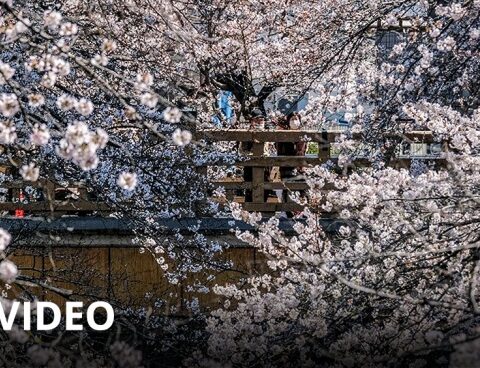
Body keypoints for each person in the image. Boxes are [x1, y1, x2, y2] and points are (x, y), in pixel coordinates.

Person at [275, 112, 307, 215]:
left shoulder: (302, 136)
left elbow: (302, 152)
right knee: (289, 189)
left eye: (296, 119)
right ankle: (289, 211)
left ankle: (300, 211)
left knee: (302, 187)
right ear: (288, 122)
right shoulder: (283, 135)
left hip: (299, 169)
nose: (294, 121)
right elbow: (279, 150)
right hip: (286, 169)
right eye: (292, 119)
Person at [238, 109, 271, 202]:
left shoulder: (268, 133)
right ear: (251, 121)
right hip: (250, 165)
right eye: (256, 120)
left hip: (265, 164)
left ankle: (262, 210)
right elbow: (242, 151)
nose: (259, 122)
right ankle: (250, 211)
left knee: (266, 188)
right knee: (250, 189)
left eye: (261, 120)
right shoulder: (246, 134)